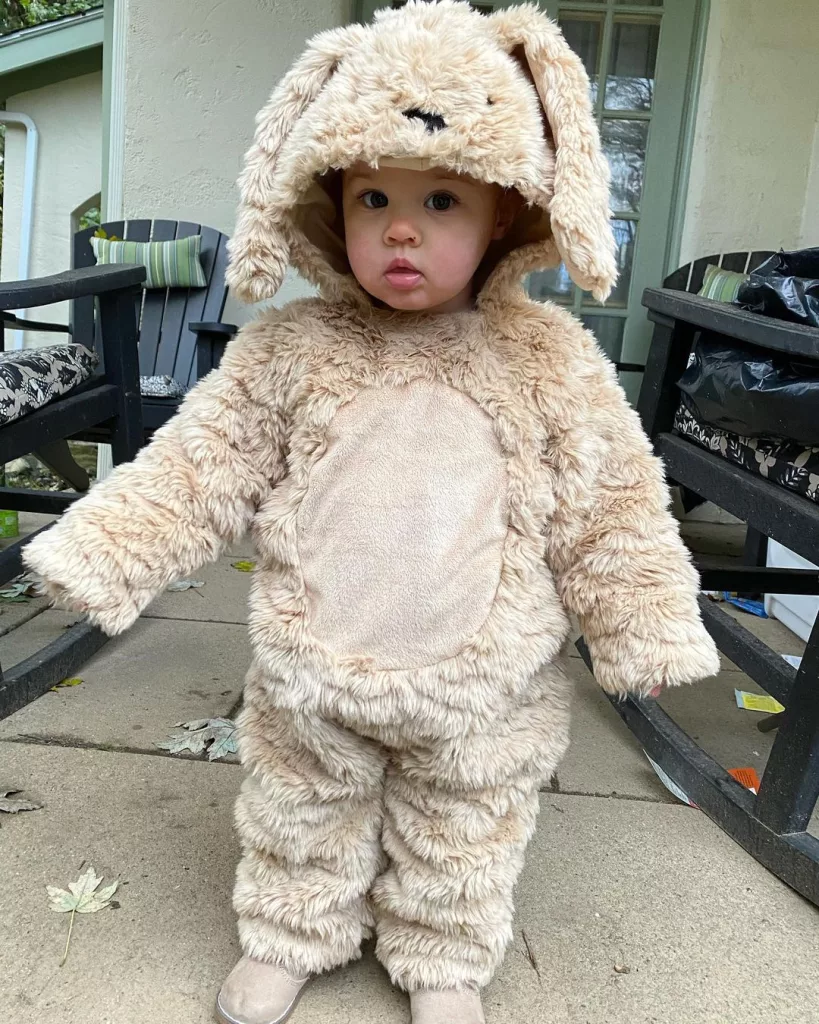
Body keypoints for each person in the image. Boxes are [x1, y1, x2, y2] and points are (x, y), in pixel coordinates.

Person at [23, 3, 720, 1023]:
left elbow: (612, 502)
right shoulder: (287, 351)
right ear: (323, 208)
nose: (401, 227)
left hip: (484, 675)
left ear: (506, 212)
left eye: (442, 198)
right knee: (300, 808)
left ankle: (444, 956)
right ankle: (294, 932)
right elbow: (197, 464)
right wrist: (105, 548)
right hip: (317, 666)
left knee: (467, 821)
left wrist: (643, 618)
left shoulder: (547, 359)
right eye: (372, 198)